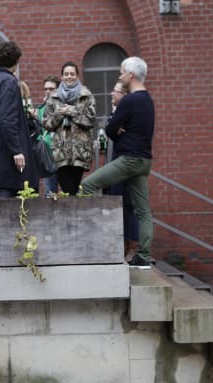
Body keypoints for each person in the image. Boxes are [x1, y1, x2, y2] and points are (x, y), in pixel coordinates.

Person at [80, 57, 155, 270]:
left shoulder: (129, 100)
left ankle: (91, 237)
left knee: (87, 185)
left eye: (122, 72)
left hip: (128, 159)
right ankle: (144, 257)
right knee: (142, 210)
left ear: (130, 75)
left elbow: (110, 129)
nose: (119, 75)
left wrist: (119, 129)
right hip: (144, 161)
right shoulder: (148, 100)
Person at [0, 41, 38, 197]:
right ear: (17, 61)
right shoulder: (9, 82)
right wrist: (17, 150)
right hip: (7, 166)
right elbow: (7, 119)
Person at [42, 61, 96, 196]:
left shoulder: (86, 95)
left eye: (72, 74)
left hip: (80, 151)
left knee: (73, 189)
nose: (69, 77)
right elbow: (47, 124)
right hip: (60, 152)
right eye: (66, 74)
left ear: (77, 76)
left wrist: (72, 112)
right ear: (61, 77)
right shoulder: (54, 97)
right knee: (68, 189)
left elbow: (91, 120)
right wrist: (59, 115)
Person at [105, 81, 140, 262]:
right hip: (114, 166)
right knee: (118, 205)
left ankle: (133, 246)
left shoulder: (130, 114)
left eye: (115, 92)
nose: (112, 94)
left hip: (127, 165)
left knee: (130, 207)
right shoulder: (115, 113)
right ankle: (123, 244)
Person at [37, 76, 61, 196]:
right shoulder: (41, 109)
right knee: (49, 193)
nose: (47, 91)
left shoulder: (63, 106)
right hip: (48, 155)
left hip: (63, 155)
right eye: (45, 89)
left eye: (51, 88)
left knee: (68, 192)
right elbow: (40, 132)